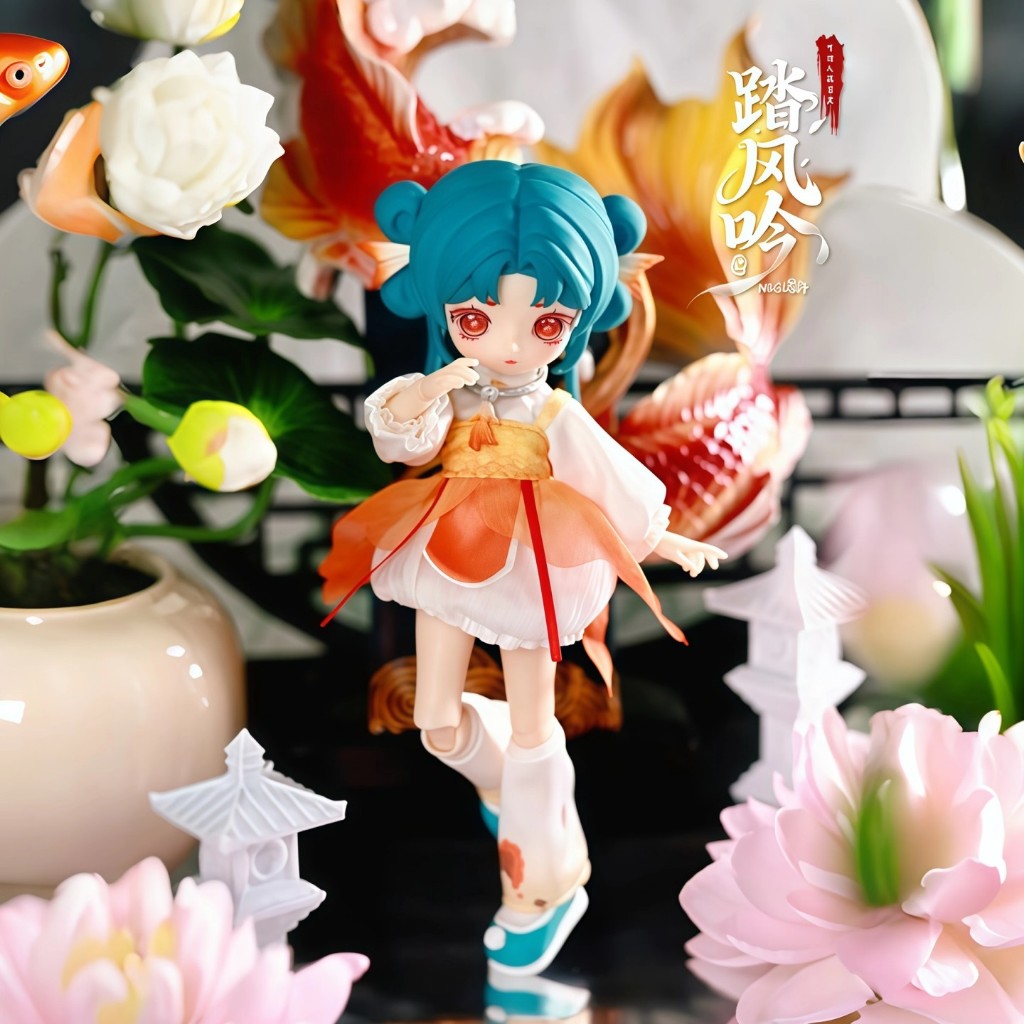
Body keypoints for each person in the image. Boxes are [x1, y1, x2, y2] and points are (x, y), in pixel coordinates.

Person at [320, 160, 725, 974]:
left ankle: (543, 885)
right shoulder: (449, 391)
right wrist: (436, 380)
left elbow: (614, 482)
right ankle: (515, 792)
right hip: (447, 545)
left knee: (539, 725)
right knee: (437, 724)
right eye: (476, 317)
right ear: (444, 306)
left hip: (538, 557)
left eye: (547, 323)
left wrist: (666, 541)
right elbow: (397, 436)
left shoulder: (554, 409)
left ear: (578, 321)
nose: (509, 344)